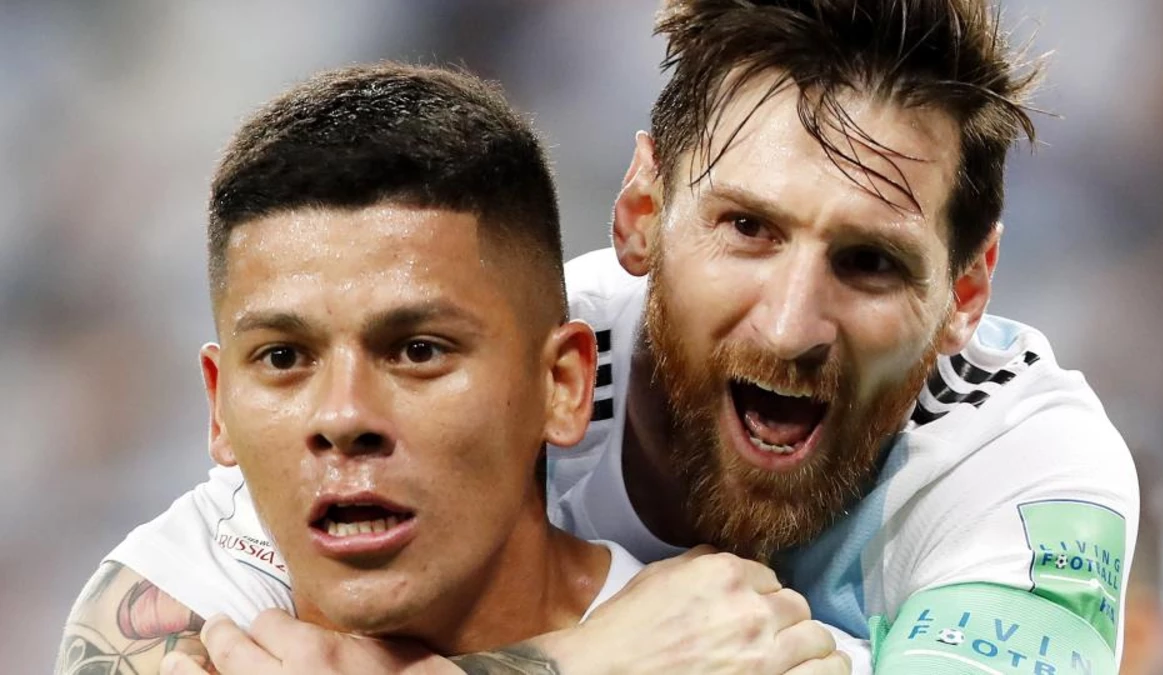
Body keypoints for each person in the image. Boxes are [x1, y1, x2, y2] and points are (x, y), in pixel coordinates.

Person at [75, 1, 1142, 674]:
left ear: (967, 290)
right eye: (746, 229)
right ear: (639, 214)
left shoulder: (1022, 465)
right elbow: (112, 641)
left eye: (868, 261)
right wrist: (592, 663)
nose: (789, 325)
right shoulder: (474, 349)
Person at [54, 63, 846, 675]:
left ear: (562, 384)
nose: (342, 416)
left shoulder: (747, 652)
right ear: (220, 407)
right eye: (284, 357)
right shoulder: (200, 581)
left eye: (418, 350)